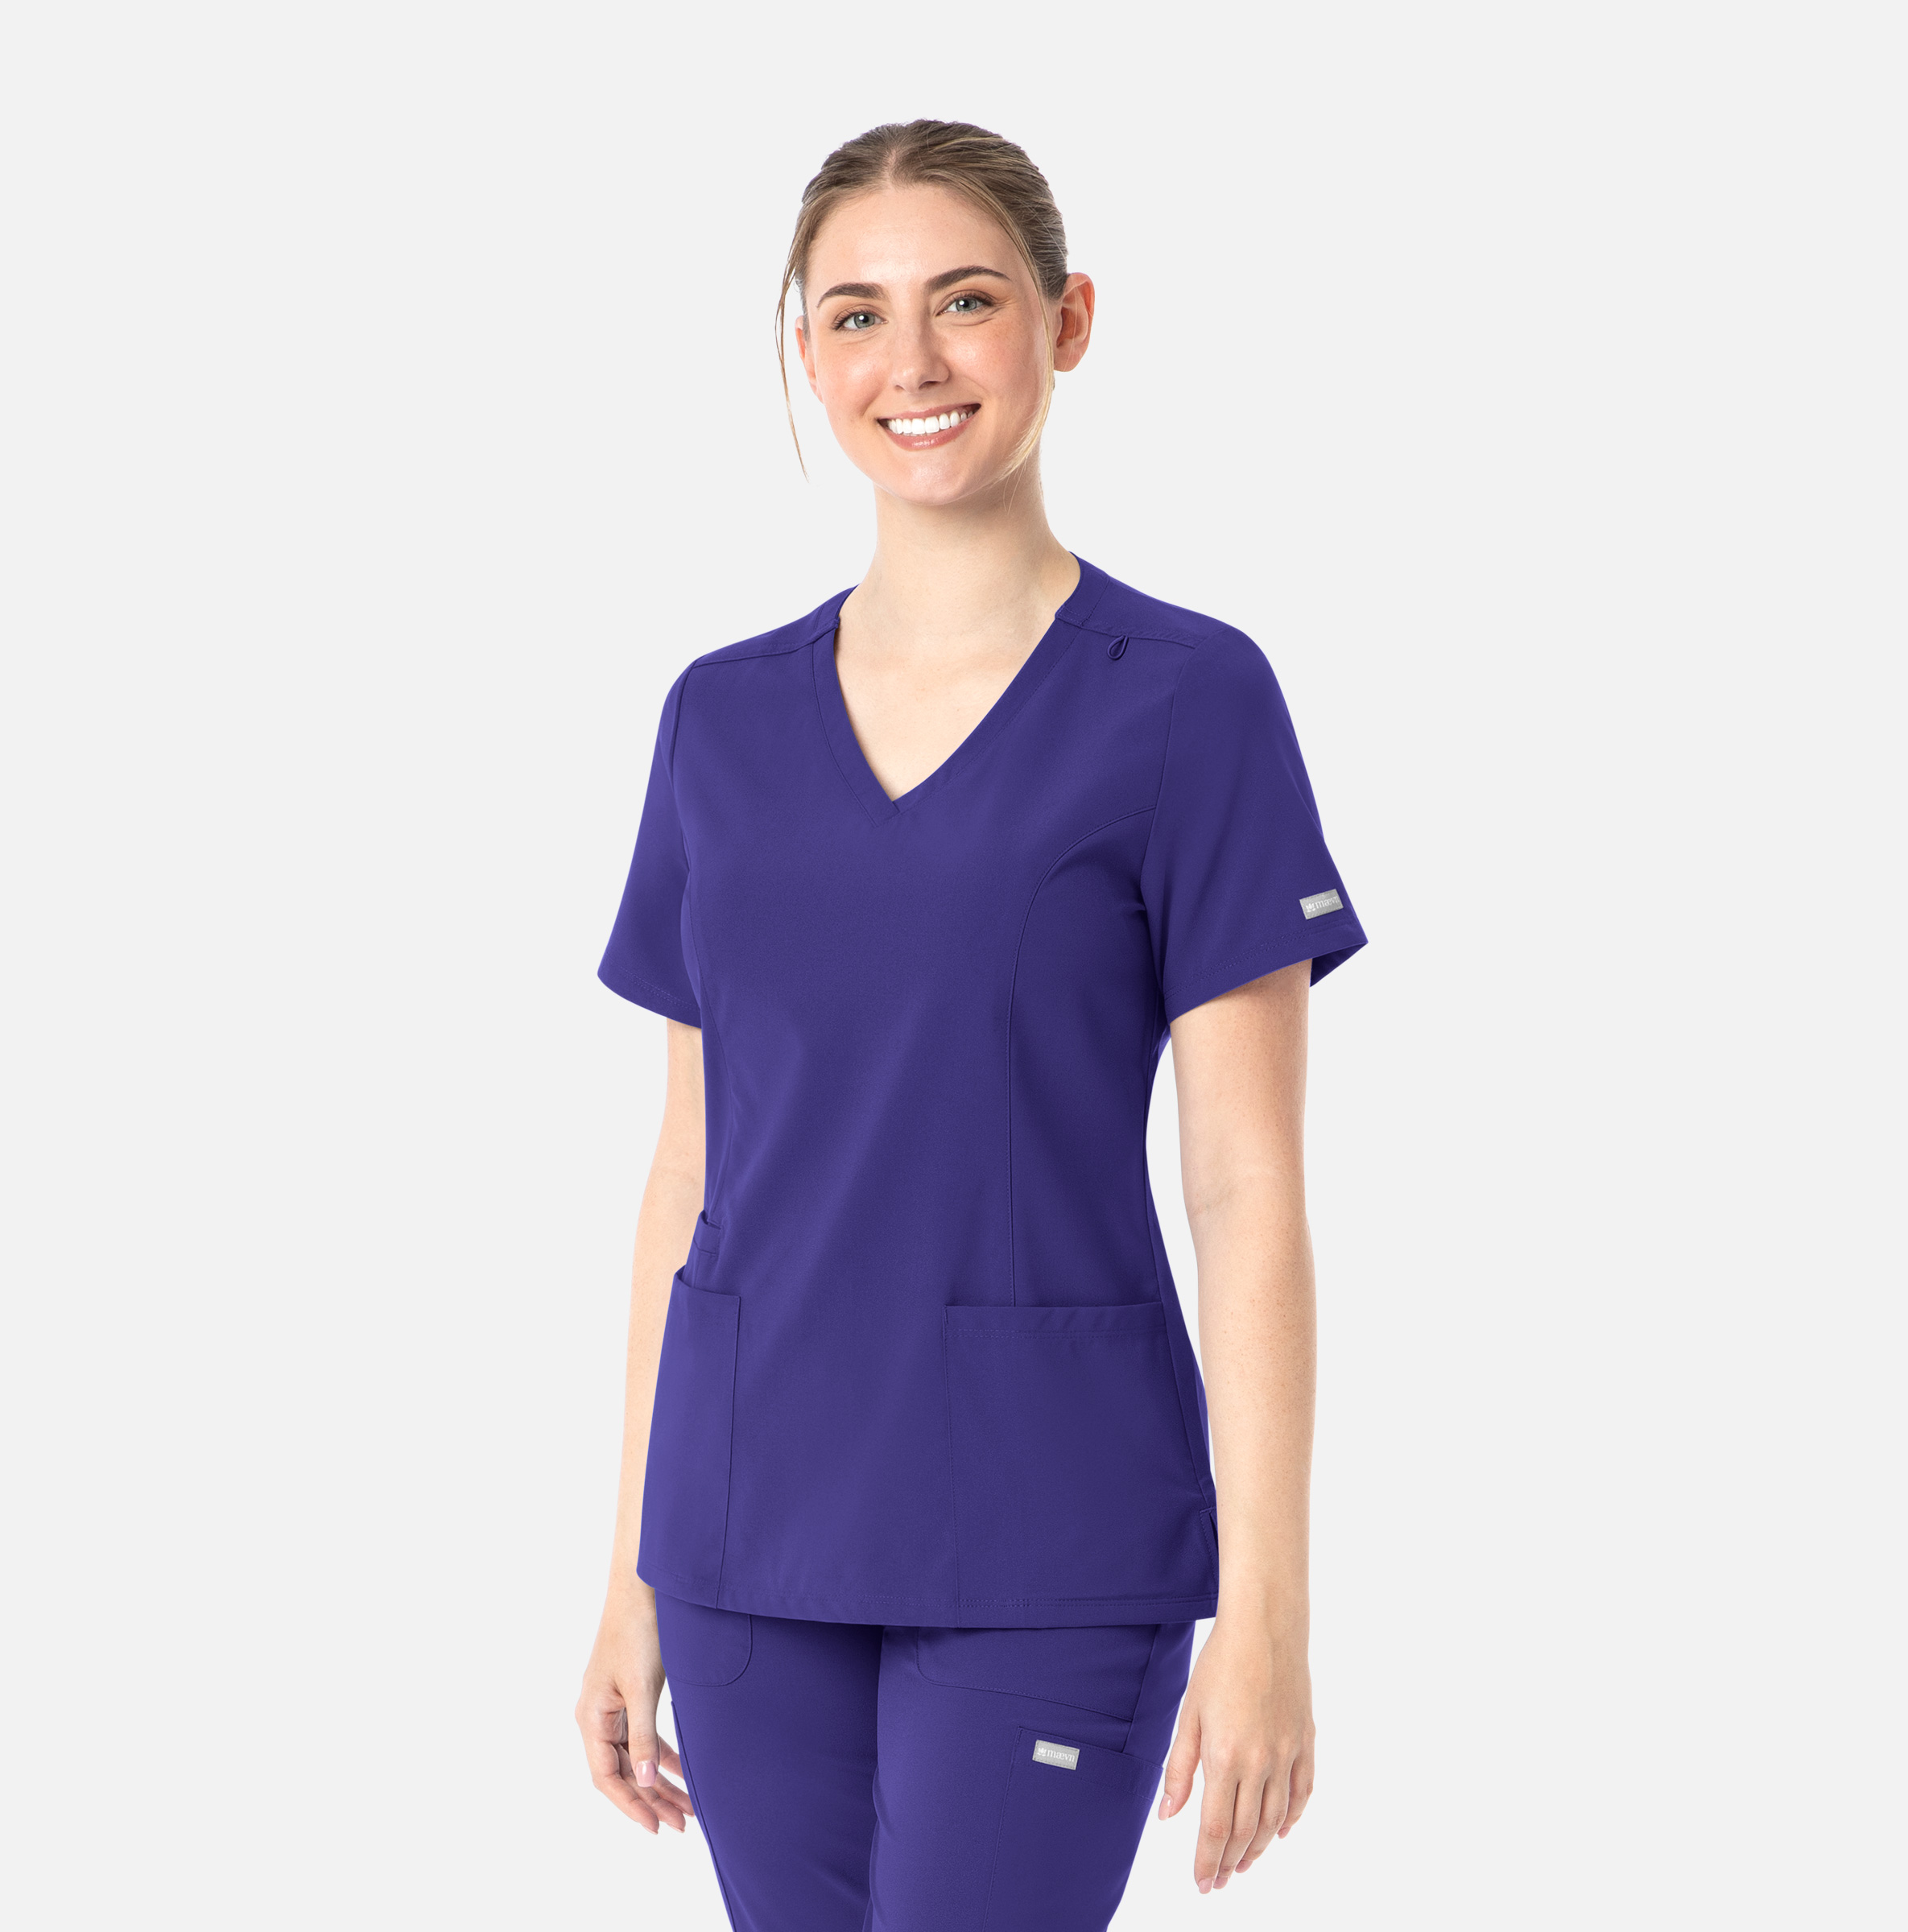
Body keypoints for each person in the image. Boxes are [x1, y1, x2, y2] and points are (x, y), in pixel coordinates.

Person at [574, 119, 1366, 1930]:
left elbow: (1246, 1187)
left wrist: (1271, 1615)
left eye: (967, 302)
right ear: (808, 353)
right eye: (856, 315)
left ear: (1067, 321)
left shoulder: (1188, 701)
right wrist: (630, 1571)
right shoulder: (718, 720)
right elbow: (689, 1167)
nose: (911, 361)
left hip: (1050, 1534)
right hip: (746, 1533)